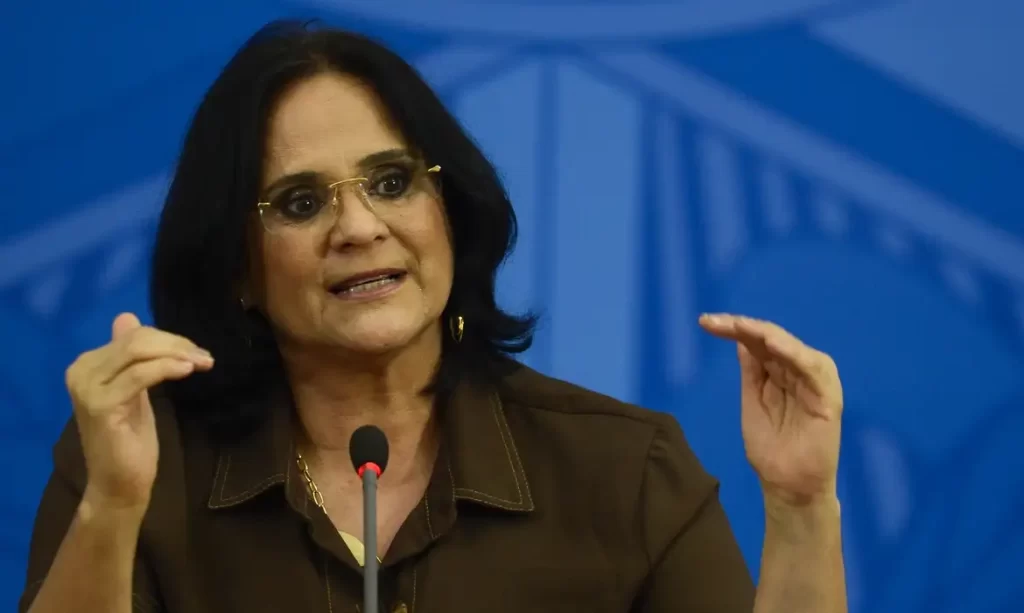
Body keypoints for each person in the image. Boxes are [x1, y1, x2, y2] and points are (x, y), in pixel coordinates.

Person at [20, 20, 847, 613]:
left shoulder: (624, 471)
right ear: (238, 268)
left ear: (448, 210)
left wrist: (801, 507)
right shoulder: (145, 464)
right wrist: (112, 508)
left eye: (392, 182)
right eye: (302, 202)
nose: (359, 227)